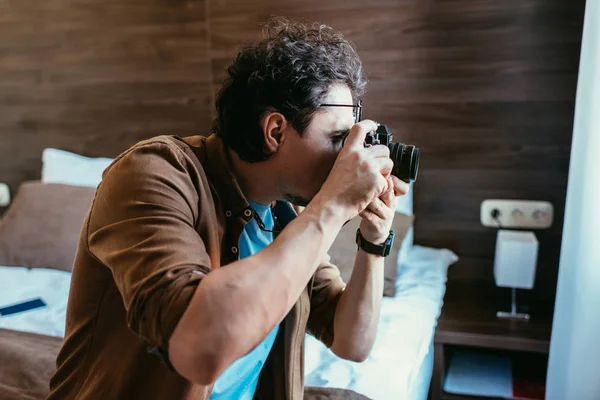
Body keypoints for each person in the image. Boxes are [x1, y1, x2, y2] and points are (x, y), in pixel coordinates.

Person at [48, 17, 409, 400]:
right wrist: (333, 204)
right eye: (339, 138)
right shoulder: (153, 171)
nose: (347, 158)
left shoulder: (287, 218)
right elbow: (198, 351)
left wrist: (373, 241)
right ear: (275, 131)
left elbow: (351, 344)